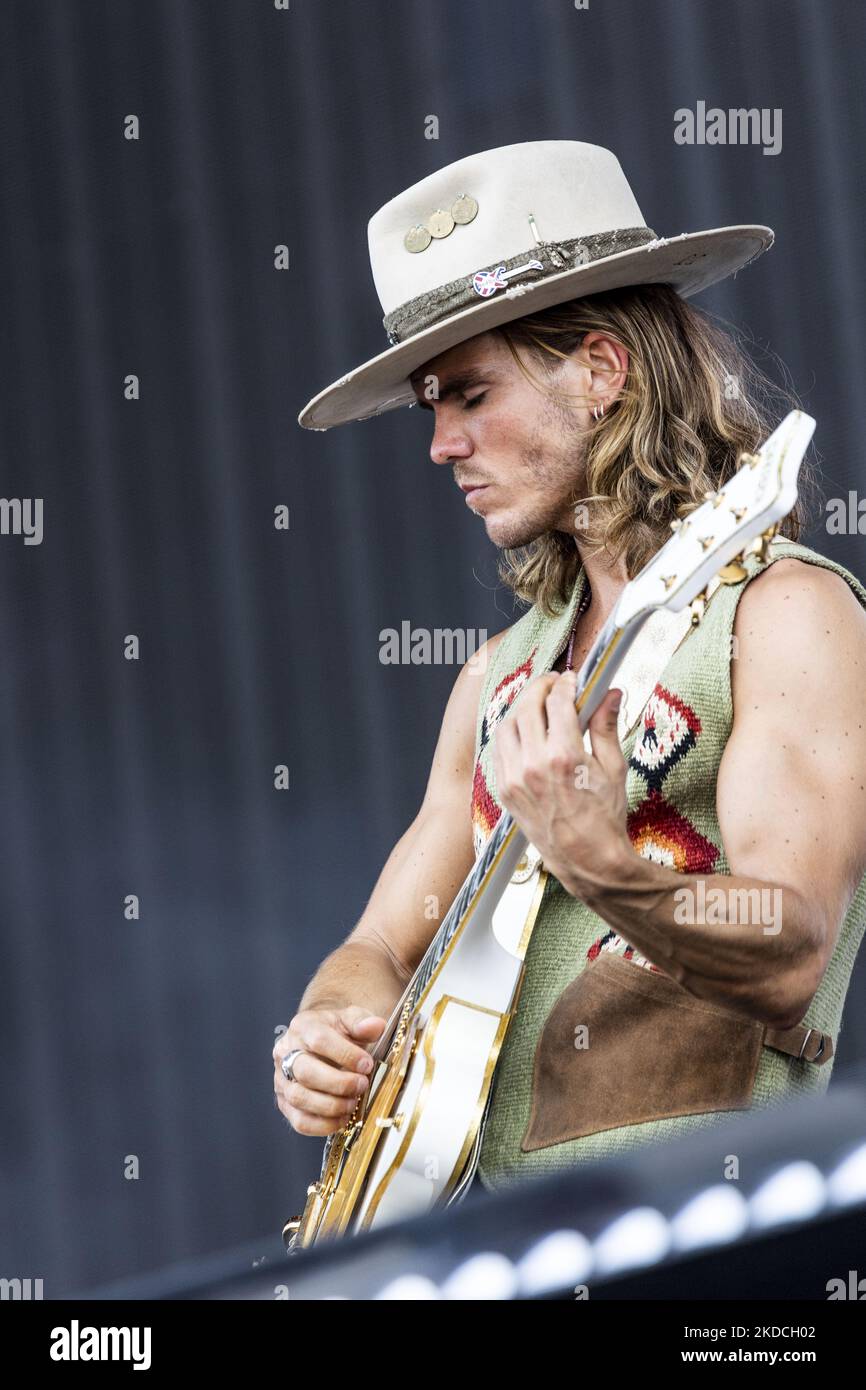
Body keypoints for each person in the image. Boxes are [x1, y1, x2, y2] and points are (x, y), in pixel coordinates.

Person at [273, 140, 866, 1198]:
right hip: (495, 1255)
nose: (440, 444)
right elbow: (374, 945)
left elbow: (787, 954)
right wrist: (323, 1027)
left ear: (599, 371)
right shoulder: (497, 675)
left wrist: (599, 858)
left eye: (469, 395)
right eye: (429, 406)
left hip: (699, 1245)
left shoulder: (785, 614)